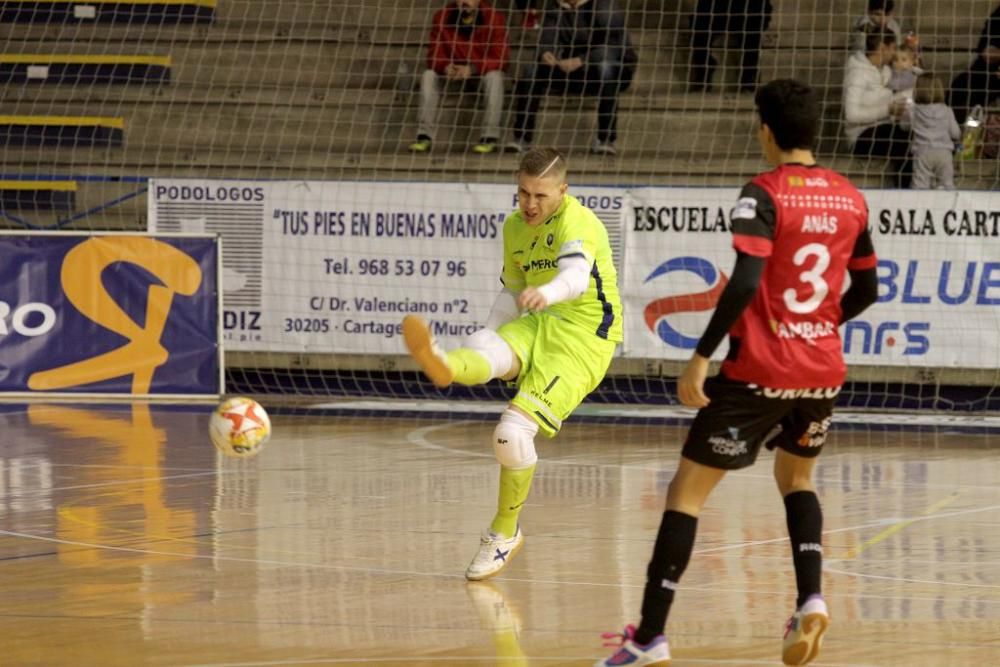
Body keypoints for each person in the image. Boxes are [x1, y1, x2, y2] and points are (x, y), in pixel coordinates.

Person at [596, 79, 880, 667]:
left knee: (686, 495)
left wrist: (701, 354)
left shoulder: (763, 193)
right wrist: (824, 323)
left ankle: (648, 638)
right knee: (797, 481)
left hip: (759, 369)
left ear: (767, 132)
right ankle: (810, 599)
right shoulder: (851, 197)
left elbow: (747, 280)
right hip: (822, 370)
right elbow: (869, 289)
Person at [402, 147, 622, 580]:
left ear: (563, 190)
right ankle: (442, 362)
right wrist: (491, 328)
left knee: (511, 435)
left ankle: (504, 533)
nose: (530, 204)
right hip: (538, 319)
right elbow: (512, 289)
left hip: (583, 335)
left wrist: (550, 293)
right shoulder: (515, 226)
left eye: (541, 195)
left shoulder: (579, 221)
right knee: (486, 350)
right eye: (523, 193)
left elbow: (577, 278)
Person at [506, 0, 638, 156]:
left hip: (608, 67)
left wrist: (581, 60)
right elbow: (547, 38)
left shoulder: (604, 5)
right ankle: (522, 138)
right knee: (531, 69)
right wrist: (546, 52)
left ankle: (606, 139)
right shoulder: (556, 6)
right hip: (572, 69)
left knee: (605, 67)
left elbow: (614, 48)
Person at [408, 0, 510, 154]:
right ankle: (424, 136)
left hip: (479, 75)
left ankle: (489, 138)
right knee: (428, 75)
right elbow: (434, 53)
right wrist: (445, 66)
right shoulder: (442, 16)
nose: (464, 2)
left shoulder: (494, 17)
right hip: (452, 75)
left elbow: (501, 57)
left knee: (495, 77)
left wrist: (473, 68)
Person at [843, 28, 912, 187]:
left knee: (913, 136)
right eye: (893, 48)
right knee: (901, 140)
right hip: (860, 137)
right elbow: (851, 115)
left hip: (883, 126)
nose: (894, 53)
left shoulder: (886, 71)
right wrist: (888, 110)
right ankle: (906, 191)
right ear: (882, 47)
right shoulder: (857, 74)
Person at [688, 0, 773, 94]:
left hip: (749, 7)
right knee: (700, 23)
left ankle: (749, 79)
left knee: (753, 23)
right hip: (717, 7)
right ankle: (703, 74)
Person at [904, 74, 961, 189]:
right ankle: (947, 205)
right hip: (944, 152)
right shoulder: (947, 110)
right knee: (946, 184)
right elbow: (956, 133)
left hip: (922, 152)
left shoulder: (913, 110)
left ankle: (919, 205)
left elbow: (904, 126)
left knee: (920, 184)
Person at [947, 3, 1000, 123]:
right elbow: (986, 52)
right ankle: (961, 134)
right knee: (960, 87)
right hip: (987, 73)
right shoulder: (997, 17)